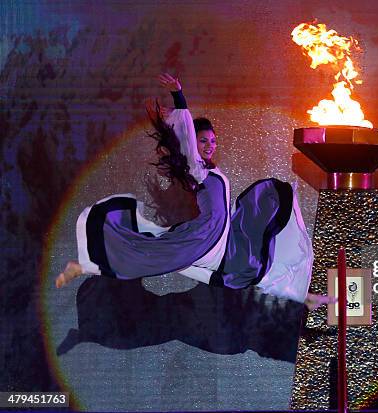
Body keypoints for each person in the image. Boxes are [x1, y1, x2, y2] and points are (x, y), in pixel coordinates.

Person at [56, 73, 334, 310]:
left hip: (220, 242)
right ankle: (87, 262)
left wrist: (172, 122)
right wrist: (179, 97)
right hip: (207, 236)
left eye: (213, 141)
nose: (210, 145)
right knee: (157, 254)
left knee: (251, 267)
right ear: (193, 143)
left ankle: (304, 297)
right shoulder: (197, 168)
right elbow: (187, 139)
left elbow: (187, 138)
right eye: (203, 141)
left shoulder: (207, 170)